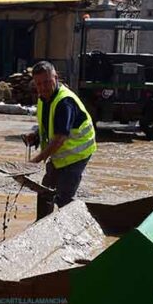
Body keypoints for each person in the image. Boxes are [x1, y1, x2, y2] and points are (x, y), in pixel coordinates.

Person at [22, 61, 97, 219]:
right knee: (44, 191)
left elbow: (59, 139)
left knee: (64, 198)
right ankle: (40, 226)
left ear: (56, 78)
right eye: (39, 83)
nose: (43, 87)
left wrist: (37, 159)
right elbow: (48, 125)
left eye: (47, 82)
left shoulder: (65, 102)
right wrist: (35, 136)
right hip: (60, 154)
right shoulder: (43, 98)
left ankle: (73, 231)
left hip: (77, 154)